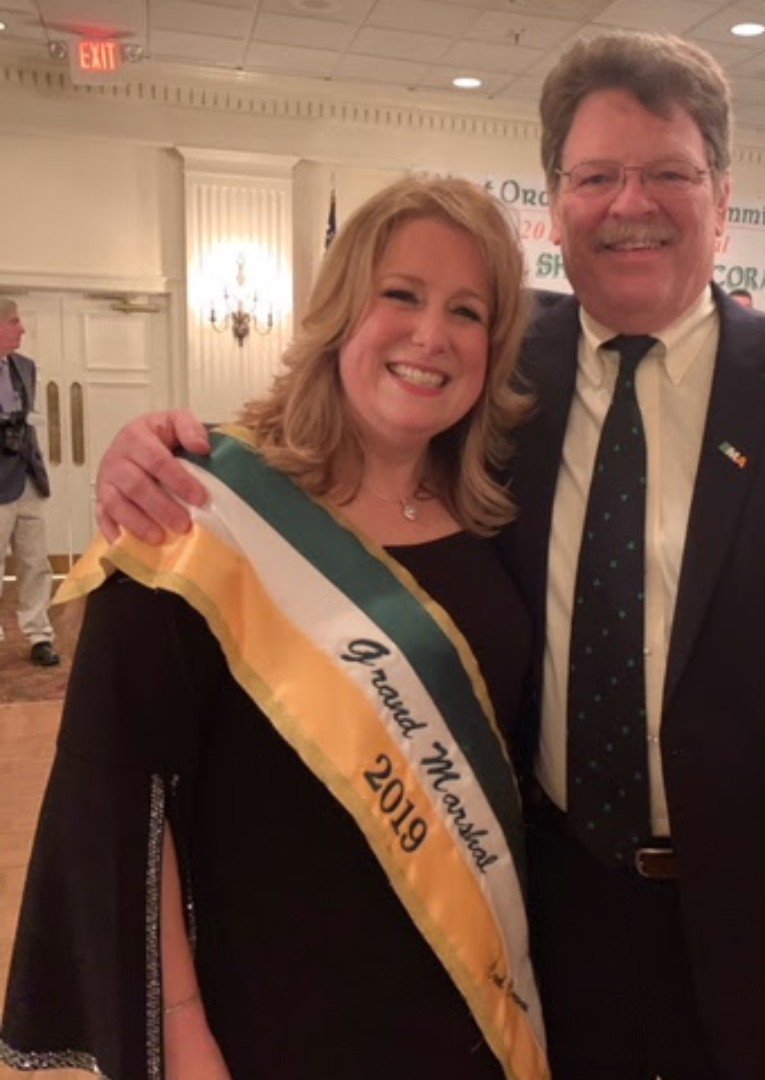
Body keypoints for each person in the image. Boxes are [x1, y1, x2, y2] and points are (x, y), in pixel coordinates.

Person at [85, 31, 765, 1080]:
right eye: (596, 176)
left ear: (724, 196)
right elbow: (340, 441)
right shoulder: (498, 367)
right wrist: (155, 445)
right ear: (556, 205)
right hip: (546, 911)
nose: (628, 203)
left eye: (668, 174)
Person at [0, 177, 550, 1080]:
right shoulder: (197, 511)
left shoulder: (499, 525)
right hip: (274, 1013)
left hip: (471, 1005)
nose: (431, 335)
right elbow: (123, 798)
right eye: (401, 295)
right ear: (338, 312)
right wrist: (183, 1033)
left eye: (468, 312)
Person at [0, 297, 59, 667]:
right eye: (14, 321)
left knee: (36, 561)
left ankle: (39, 634)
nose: (22, 329)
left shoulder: (26, 367)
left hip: (27, 477)